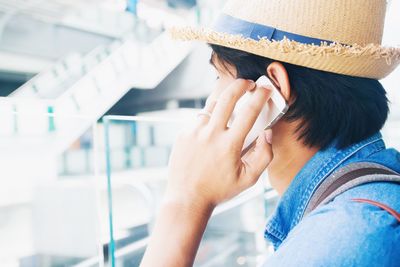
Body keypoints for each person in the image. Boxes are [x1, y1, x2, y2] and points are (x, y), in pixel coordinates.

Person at [140, 0, 400, 266]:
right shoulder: (374, 197)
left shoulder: (336, 244)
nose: (212, 98)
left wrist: (186, 202)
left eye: (219, 76)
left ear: (273, 87)